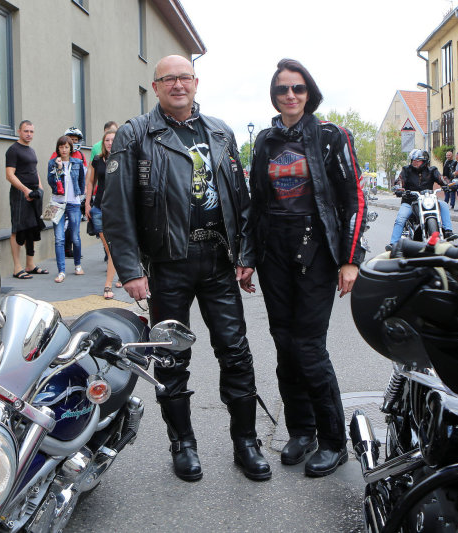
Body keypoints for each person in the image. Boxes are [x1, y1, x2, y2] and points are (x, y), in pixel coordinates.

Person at [103, 54, 270, 482]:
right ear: (155, 87)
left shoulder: (220, 131)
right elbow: (116, 209)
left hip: (217, 261)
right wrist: (130, 271)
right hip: (167, 265)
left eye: (184, 77)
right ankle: (183, 445)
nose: (178, 84)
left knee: (236, 353)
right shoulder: (135, 134)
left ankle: (246, 443)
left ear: (196, 82)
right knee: (172, 359)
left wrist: (245, 255)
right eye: (168, 79)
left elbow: (242, 201)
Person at [248, 58, 367, 477]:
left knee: (309, 347)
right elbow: (255, 204)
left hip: (316, 251)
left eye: (298, 88)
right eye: (283, 89)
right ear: (275, 95)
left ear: (309, 92)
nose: (291, 95)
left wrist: (350, 258)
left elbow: (354, 198)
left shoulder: (331, 136)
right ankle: (301, 430)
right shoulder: (264, 140)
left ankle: (334, 441)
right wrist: (247, 258)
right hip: (273, 253)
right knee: (284, 344)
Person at [388, 149, 456, 249]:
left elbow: (441, 178)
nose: (414, 162)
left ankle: (448, 231)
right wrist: (399, 188)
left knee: (444, 205)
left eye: (417, 160)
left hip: (428, 200)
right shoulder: (406, 170)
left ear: (424, 161)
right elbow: (400, 180)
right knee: (400, 218)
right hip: (410, 201)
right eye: (413, 160)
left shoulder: (432, 170)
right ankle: (393, 244)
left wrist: (449, 184)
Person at [5, 120, 47, 279]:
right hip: (20, 195)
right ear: (19, 131)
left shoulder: (31, 150)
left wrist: (40, 188)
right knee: (18, 229)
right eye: (26, 131)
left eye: (31, 131)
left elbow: (34, 170)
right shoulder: (13, 150)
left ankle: (30, 265)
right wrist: (25, 190)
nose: (29, 134)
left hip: (34, 194)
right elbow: (9, 175)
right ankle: (17, 268)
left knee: (32, 228)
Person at [84, 126, 120, 298]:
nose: (110, 143)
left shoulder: (123, 159)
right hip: (98, 207)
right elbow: (90, 182)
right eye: (107, 140)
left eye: (113, 140)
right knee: (108, 247)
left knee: (112, 248)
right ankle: (120, 272)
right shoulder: (97, 160)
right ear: (103, 142)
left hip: (116, 208)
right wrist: (87, 204)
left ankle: (108, 285)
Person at [47, 136, 86, 283]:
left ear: (71, 149)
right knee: (59, 239)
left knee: (75, 237)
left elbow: (82, 180)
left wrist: (80, 196)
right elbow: (51, 182)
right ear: (58, 148)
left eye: (66, 147)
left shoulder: (77, 162)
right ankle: (61, 271)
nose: (64, 150)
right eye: (61, 147)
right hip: (57, 202)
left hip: (73, 203)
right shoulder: (53, 163)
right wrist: (58, 169)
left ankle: (77, 265)